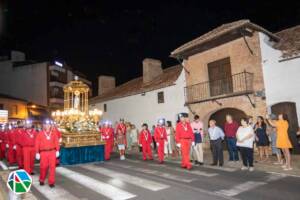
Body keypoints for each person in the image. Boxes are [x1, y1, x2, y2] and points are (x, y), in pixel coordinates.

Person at [35, 120, 60, 188]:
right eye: (46, 124)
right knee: (43, 167)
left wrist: (57, 150)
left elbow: (56, 142)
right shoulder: (40, 133)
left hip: (52, 152)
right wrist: (37, 152)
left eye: (49, 124)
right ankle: (42, 179)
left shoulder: (53, 133)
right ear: (44, 126)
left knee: (52, 168)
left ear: (50, 125)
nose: (47, 126)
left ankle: (51, 182)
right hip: (43, 152)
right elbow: (37, 143)